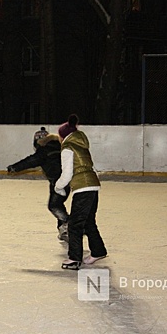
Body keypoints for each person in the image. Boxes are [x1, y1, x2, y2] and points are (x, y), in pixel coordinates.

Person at [54, 114, 107, 270]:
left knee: (75, 224)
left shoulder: (67, 149)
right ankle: (98, 251)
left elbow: (67, 174)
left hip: (83, 187)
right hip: (93, 186)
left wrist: (58, 187)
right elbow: (92, 168)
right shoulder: (82, 146)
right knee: (89, 221)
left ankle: (74, 259)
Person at [7, 127, 71, 241]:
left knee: (54, 206)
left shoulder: (44, 150)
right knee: (58, 203)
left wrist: (15, 167)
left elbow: (31, 161)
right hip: (65, 180)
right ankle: (64, 229)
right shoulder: (60, 147)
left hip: (58, 181)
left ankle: (71, 225)